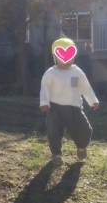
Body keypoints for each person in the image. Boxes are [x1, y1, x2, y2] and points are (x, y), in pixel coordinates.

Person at [40, 38, 99, 166]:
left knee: (84, 129)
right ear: (55, 57)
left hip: (74, 108)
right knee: (54, 132)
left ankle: (82, 147)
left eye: (70, 56)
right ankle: (56, 154)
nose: (66, 60)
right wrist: (44, 102)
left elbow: (84, 87)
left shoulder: (76, 72)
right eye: (62, 57)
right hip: (55, 109)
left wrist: (92, 100)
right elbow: (44, 87)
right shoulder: (51, 73)